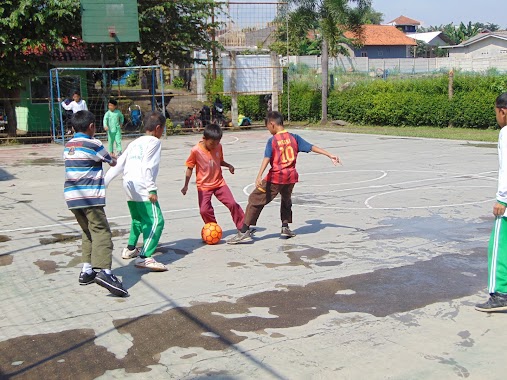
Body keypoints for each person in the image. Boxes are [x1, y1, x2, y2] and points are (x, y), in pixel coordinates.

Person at [227, 110, 340, 244]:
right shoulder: (294, 138)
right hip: (290, 177)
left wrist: (259, 175)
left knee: (255, 198)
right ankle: (285, 226)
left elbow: (267, 158)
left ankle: (244, 230)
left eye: (267, 126)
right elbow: (311, 147)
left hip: (276, 178)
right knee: (286, 200)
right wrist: (329, 154)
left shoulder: (273, 140)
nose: (268, 129)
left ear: (272, 124)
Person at [63, 110, 128, 297]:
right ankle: (105, 272)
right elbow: (112, 162)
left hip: (72, 198)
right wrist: (115, 157)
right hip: (90, 197)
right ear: (91, 126)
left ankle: (87, 270)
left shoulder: (68, 145)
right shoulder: (93, 143)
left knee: (87, 231)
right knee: (102, 232)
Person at [105, 111, 167, 272]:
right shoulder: (154, 142)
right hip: (142, 185)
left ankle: (130, 248)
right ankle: (145, 257)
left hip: (128, 183)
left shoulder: (135, 142)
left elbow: (118, 164)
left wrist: (103, 184)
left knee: (138, 219)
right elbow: (148, 165)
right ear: (158, 128)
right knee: (156, 221)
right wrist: (152, 188)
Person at [181, 123, 246, 240]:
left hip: (219, 183)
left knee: (232, 204)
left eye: (217, 143)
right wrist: (185, 185)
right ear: (204, 139)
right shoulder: (196, 150)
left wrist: (229, 165)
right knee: (204, 210)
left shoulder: (218, 147)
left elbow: (219, 160)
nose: (214, 146)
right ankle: (213, 228)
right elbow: (190, 167)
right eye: (212, 143)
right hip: (204, 186)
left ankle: (243, 227)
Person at [476, 92, 507, 312]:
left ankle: (500, 293)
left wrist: (501, 199)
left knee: (497, 247)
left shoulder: (506, 133)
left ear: (503, 111)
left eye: (496, 111)